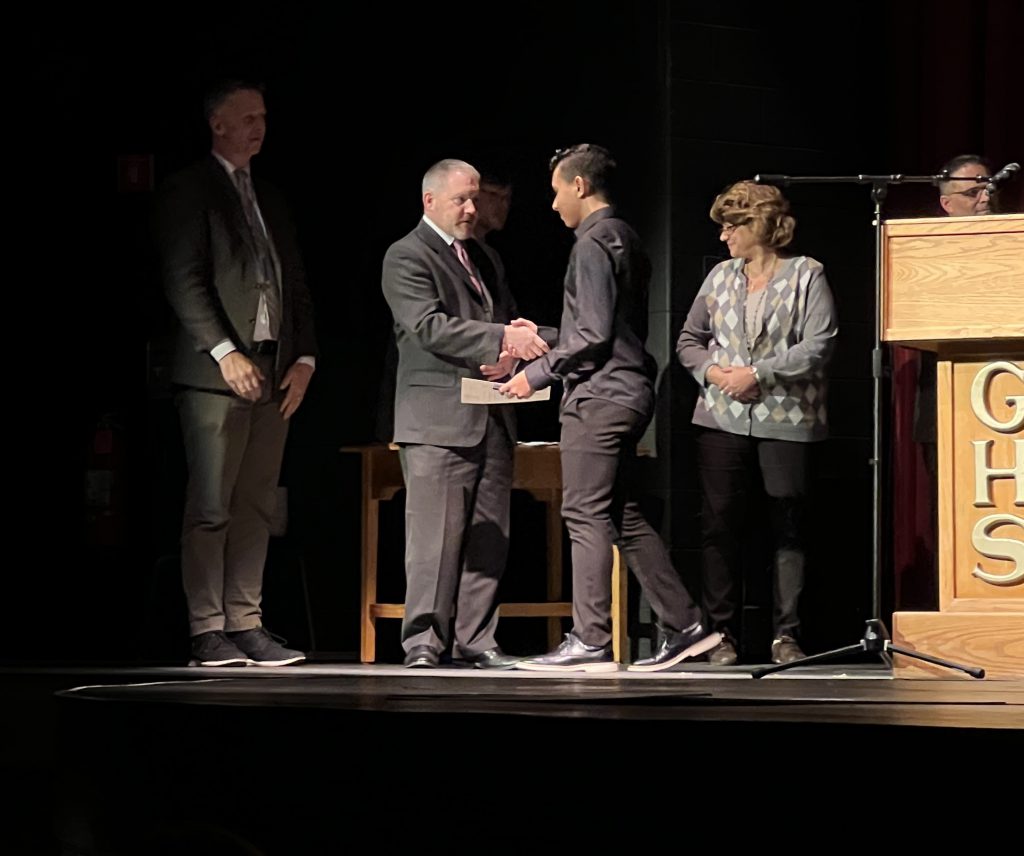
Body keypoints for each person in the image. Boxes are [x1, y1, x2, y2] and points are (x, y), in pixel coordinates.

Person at [499, 144, 719, 673]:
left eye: (556, 192)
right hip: (626, 389)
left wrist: (535, 373)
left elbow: (593, 335)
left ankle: (590, 640)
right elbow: (607, 330)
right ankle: (687, 623)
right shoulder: (625, 237)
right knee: (622, 513)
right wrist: (546, 337)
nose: (552, 205)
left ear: (578, 186)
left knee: (582, 512)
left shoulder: (593, 242)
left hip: (600, 397)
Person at [155, 80, 317, 667]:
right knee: (211, 505)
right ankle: (207, 628)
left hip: (275, 371)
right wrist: (225, 352)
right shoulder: (189, 190)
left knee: (256, 505)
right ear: (216, 123)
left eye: (264, 117)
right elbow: (184, 280)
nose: (258, 126)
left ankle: (245, 621)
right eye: (246, 117)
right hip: (216, 375)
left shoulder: (269, 196)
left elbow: (294, 282)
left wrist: (304, 359)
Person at [381, 158, 551, 669]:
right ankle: (423, 645)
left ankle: (476, 640)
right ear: (430, 200)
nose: (472, 209)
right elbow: (427, 325)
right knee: (433, 541)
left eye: (475, 198)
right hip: (437, 421)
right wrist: (502, 336)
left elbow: (496, 321)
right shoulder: (407, 255)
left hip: (492, 416)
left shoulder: (483, 258)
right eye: (462, 199)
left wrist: (511, 340)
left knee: (488, 537)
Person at [676, 180, 837, 667]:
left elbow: (819, 341)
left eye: (731, 226)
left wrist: (758, 374)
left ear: (758, 225)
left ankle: (786, 634)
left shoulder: (807, 274)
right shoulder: (720, 277)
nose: (724, 237)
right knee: (719, 527)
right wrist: (713, 372)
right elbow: (689, 339)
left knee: (786, 527)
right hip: (721, 418)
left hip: (787, 419)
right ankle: (719, 635)